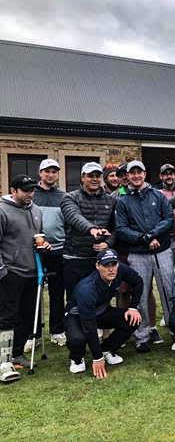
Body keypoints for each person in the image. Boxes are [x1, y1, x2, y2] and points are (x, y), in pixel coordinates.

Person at [115, 160, 174, 352]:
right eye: (132, 173)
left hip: (161, 250)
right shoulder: (123, 201)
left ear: (145, 173)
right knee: (139, 294)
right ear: (128, 176)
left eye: (139, 172)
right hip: (138, 253)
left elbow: (168, 219)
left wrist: (153, 235)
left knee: (168, 290)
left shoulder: (158, 195)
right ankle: (142, 335)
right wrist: (144, 238)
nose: (136, 176)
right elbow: (121, 228)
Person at [0, 175, 50, 381]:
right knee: (7, 317)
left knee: (27, 316)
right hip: (11, 272)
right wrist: (2, 271)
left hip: (32, 272)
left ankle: (17, 353)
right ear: (13, 190)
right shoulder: (2, 210)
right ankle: (3, 360)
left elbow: (40, 236)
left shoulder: (36, 210)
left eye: (32, 190)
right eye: (25, 190)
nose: (30, 194)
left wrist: (44, 245)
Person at [64, 249, 142, 378]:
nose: (111, 269)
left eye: (114, 264)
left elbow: (138, 281)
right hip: (77, 315)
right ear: (98, 266)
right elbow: (90, 326)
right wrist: (97, 358)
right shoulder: (87, 289)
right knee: (78, 339)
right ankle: (77, 358)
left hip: (101, 310)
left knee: (133, 319)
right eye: (106, 265)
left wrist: (133, 307)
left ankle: (107, 349)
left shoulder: (120, 269)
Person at [61, 162, 116, 300]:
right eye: (91, 176)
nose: (95, 179)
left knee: (100, 299)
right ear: (82, 177)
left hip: (99, 260)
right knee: (75, 300)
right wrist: (91, 228)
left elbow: (116, 228)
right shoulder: (70, 197)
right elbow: (74, 216)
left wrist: (108, 243)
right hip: (74, 258)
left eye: (98, 176)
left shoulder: (111, 200)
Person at [32, 159, 67, 348]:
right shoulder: (31, 194)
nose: (50, 175)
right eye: (47, 171)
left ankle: (57, 330)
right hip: (36, 250)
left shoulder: (63, 196)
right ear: (40, 173)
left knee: (56, 292)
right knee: (33, 293)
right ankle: (34, 334)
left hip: (58, 249)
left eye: (54, 171)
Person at [154, 163, 175, 266]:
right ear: (161, 176)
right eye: (165, 174)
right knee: (168, 273)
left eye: (171, 174)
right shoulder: (156, 193)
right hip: (167, 241)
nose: (169, 176)